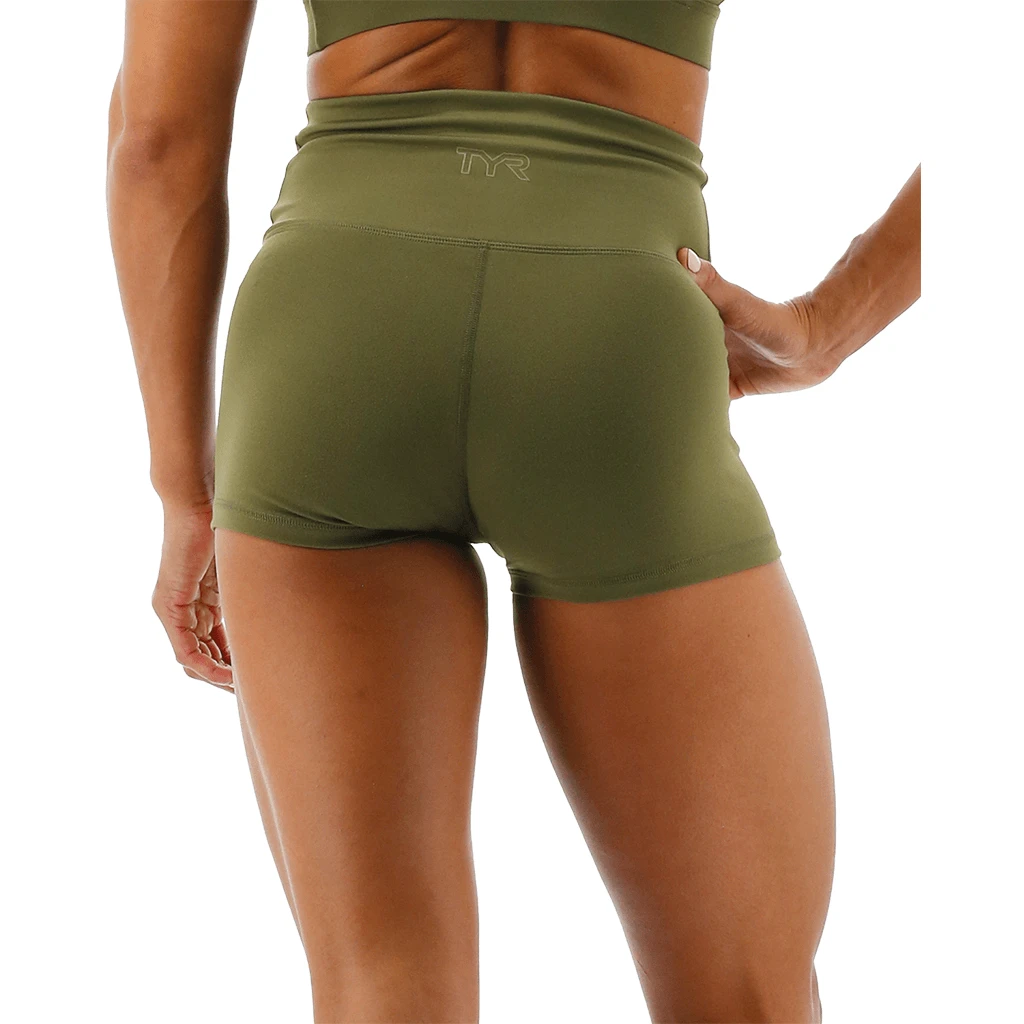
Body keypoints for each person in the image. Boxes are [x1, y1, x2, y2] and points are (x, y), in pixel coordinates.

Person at [106, 2, 920, 1021]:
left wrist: (184, 489)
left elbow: (158, 141)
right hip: (611, 323)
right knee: (745, 998)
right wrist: (827, 326)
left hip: (335, 328)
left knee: (380, 985)